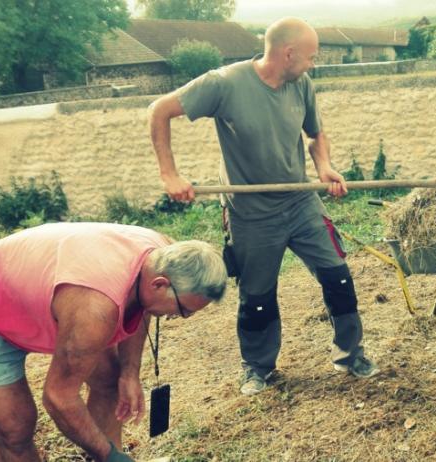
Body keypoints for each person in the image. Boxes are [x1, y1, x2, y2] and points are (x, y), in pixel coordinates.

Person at [148, 17, 379, 397]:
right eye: (310, 57)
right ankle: (258, 367)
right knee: (257, 296)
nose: (312, 65)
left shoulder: (300, 83)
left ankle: (350, 353)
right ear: (287, 54)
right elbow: (159, 110)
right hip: (251, 212)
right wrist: (169, 174)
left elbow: (315, 133)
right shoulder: (223, 84)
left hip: (300, 201)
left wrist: (323, 166)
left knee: (337, 276)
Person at [0, 222, 227, 461]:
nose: (182, 317)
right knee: (14, 429)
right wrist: (111, 457)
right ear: (159, 284)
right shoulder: (96, 310)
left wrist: (129, 371)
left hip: (36, 299)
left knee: (110, 380)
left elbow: (143, 305)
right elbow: (58, 397)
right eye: (184, 309)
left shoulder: (161, 254)